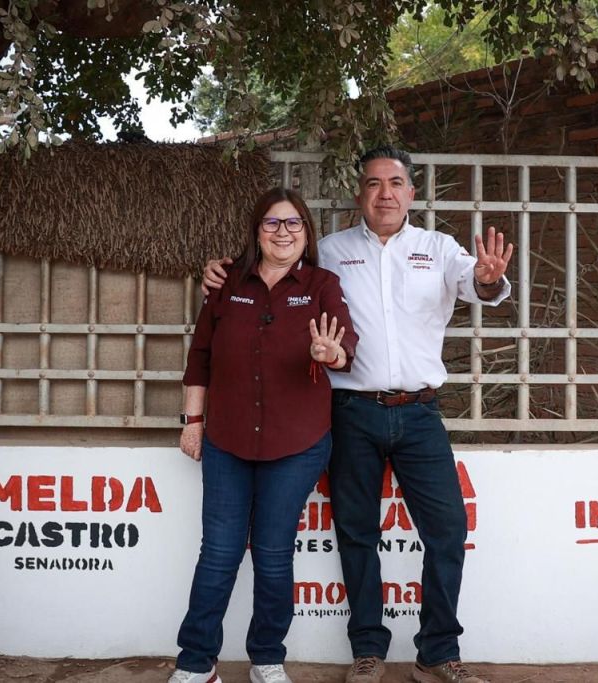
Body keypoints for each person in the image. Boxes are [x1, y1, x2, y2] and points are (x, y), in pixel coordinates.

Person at [204, 147, 513, 683]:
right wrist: (221, 272)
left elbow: (478, 284)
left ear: (411, 192)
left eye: (395, 183)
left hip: (419, 413)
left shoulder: (439, 248)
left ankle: (438, 652)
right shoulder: (330, 251)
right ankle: (367, 650)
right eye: (373, 183)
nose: (385, 193)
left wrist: (488, 278)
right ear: (359, 194)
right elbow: (274, 269)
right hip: (351, 412)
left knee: (447, 530)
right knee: (356, 533)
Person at [171, 187, 358, 683]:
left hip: (297, 443)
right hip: (227, 439)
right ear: (257, 231)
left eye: (293, 223)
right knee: (218, 553)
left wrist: (329, 354)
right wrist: (193, 422)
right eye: (272, 222)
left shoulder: (322, 284)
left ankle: (267, 659)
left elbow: (346, 347)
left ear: (306, 232)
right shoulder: (227, 282)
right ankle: (195, 663)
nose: (283, 232)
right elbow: (200, 357)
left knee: (274, 555)